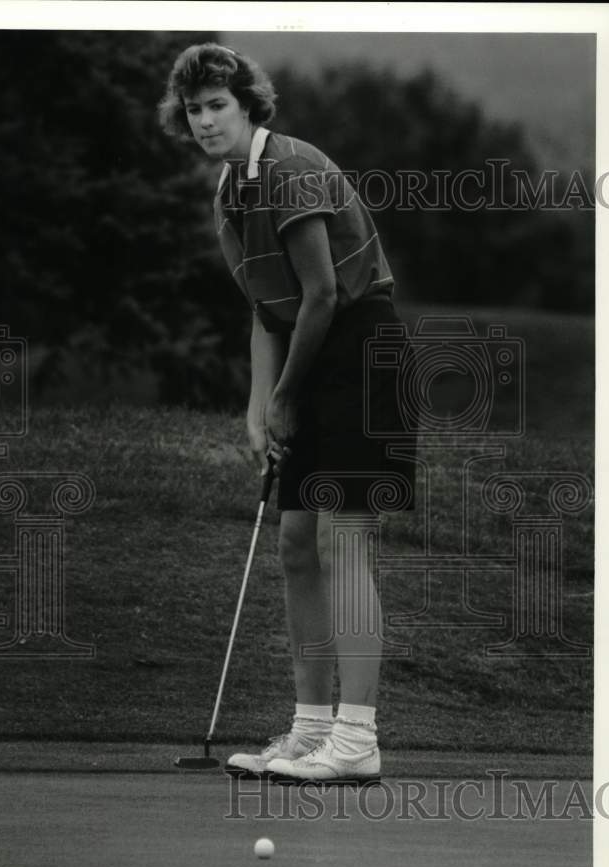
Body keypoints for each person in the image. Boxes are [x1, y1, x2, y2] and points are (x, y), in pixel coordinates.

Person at [158, 43, 417, 783]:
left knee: (341, 541)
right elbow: (264, 310)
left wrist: (285, 398)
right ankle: (309, 730)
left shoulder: (289, 170)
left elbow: (323, 295)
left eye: (216, 106)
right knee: (295, 544)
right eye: (193, 110)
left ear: (247, 107)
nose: (204, 121)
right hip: (307, 355)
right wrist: (254, 409)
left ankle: (356, 737)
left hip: (361, 351)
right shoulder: (229, 192)